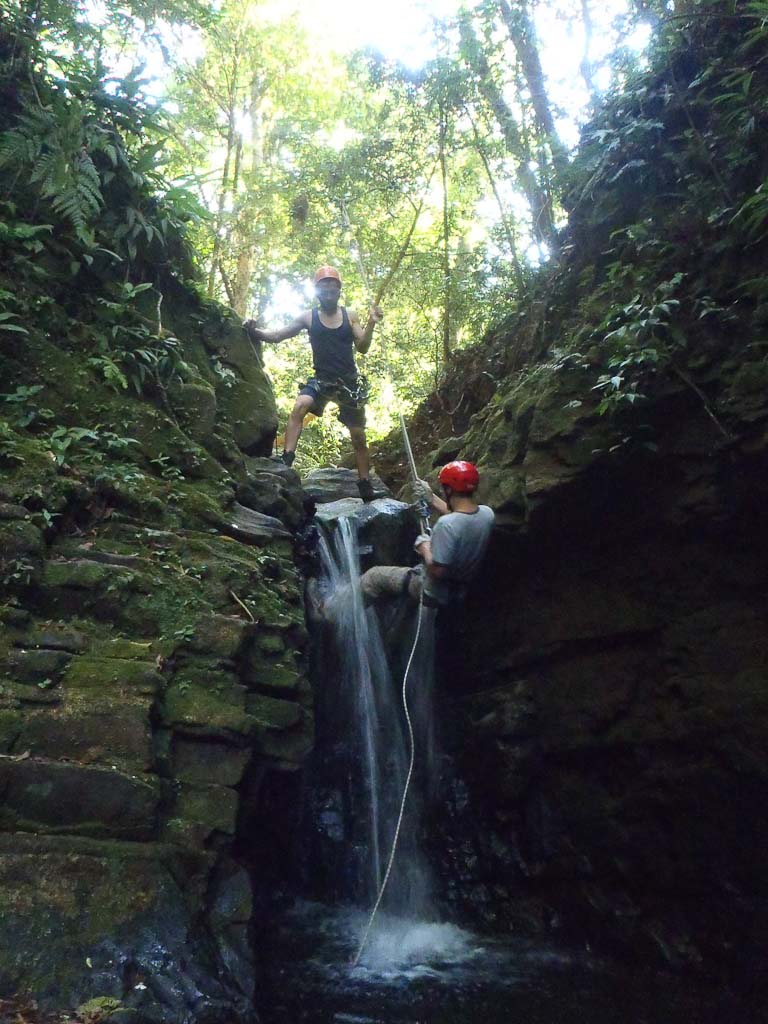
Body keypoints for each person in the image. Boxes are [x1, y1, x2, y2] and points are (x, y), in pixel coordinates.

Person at [243, 266, 383, 501]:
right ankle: (287, 456)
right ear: (318, 292)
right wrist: (254, 331)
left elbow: (363, 346)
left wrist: (371, 323)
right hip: (321, 380)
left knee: (358, 436)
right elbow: (278, 335)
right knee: (300, 406)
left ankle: (364, 482)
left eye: (333, 286)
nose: (329, 291)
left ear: (339, 290)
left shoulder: (350, 315)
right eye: (324, 287)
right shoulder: (309, 317)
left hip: (348, 383)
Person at [358, 460, 495, 609]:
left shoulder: (446, 525)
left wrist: (424, 546)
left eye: (444, 488)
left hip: (434, 591)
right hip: (464, 586)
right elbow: (461, 517)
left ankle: (335, 614)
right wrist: (432, 498)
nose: (442, 491)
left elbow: (438, 571)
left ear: (448, 490)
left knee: (373, 577)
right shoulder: (487, 514)